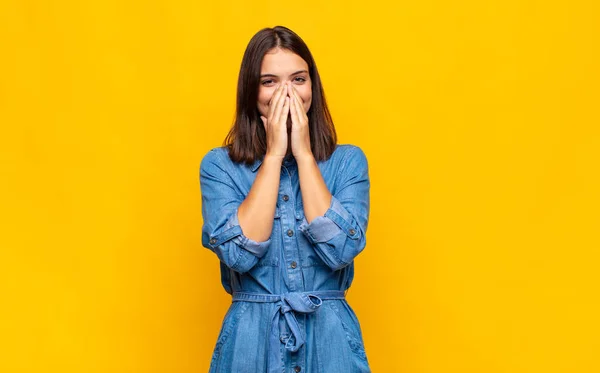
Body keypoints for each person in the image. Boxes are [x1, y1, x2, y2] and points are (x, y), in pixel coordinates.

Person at [199, 25, 371, 373]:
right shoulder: (219, 166)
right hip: (250, 344)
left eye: (298, 79)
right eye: (269, 82)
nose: (286, 93)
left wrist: (304, 154)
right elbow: (239, 254)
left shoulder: (348, 162)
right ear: (251, 91)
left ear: (312, 87)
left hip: (331, 343)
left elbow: (340, 250)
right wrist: (275, 155)